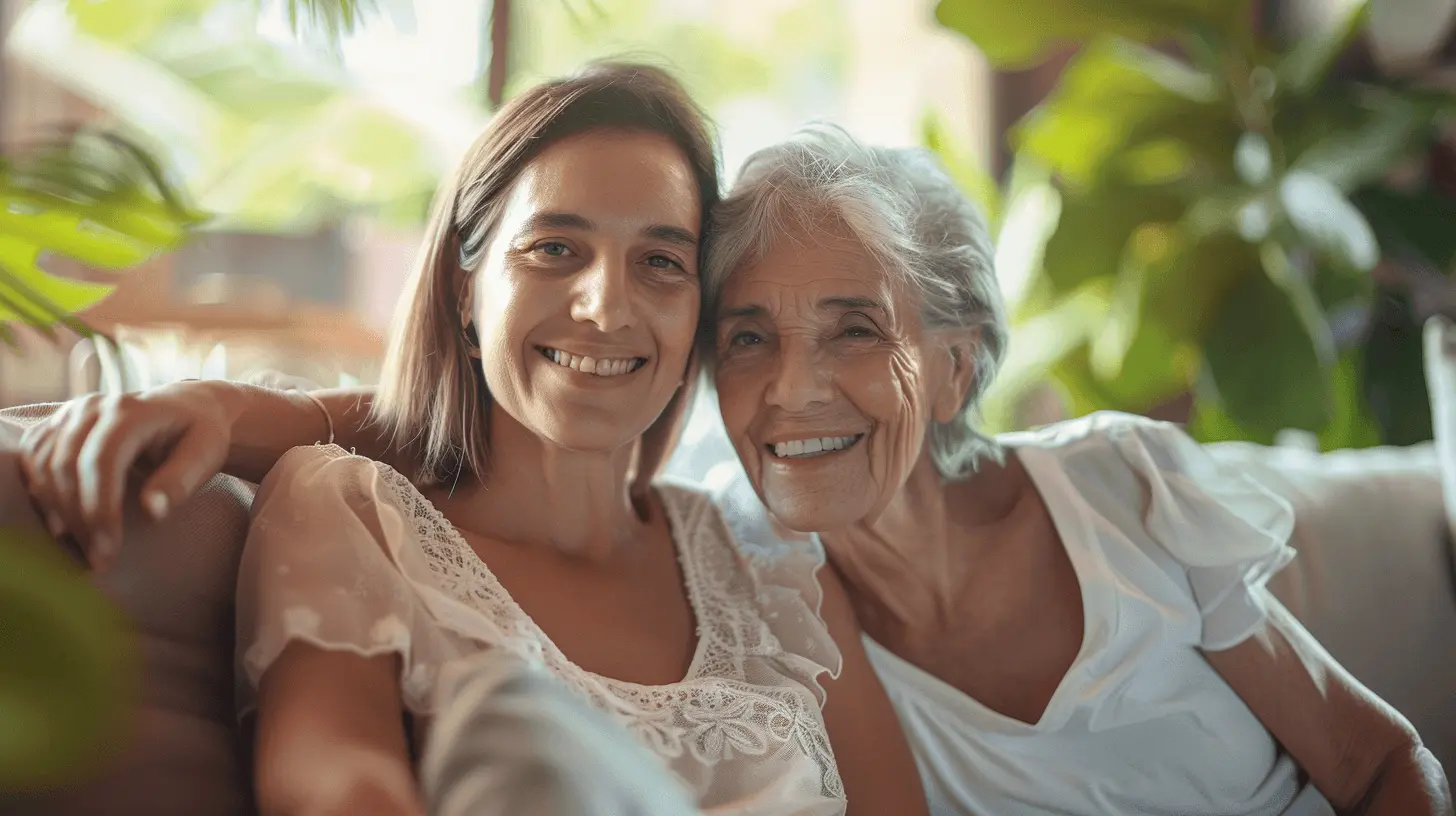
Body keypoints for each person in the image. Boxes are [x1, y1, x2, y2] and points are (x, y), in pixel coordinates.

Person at [22, 66, 927, 815]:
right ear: (465, 290)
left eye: (660, 262)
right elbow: (334, 785)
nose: (607, 307)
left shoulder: (765, 562)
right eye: (554, 249)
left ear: (696, 313)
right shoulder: (351, 510)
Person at [700, 123, 1453, 815]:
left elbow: (1375, 760)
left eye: (855, 331)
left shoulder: (1121, 485)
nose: (792, 389)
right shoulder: (758, 584)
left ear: (954, 370)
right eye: (747, 338)